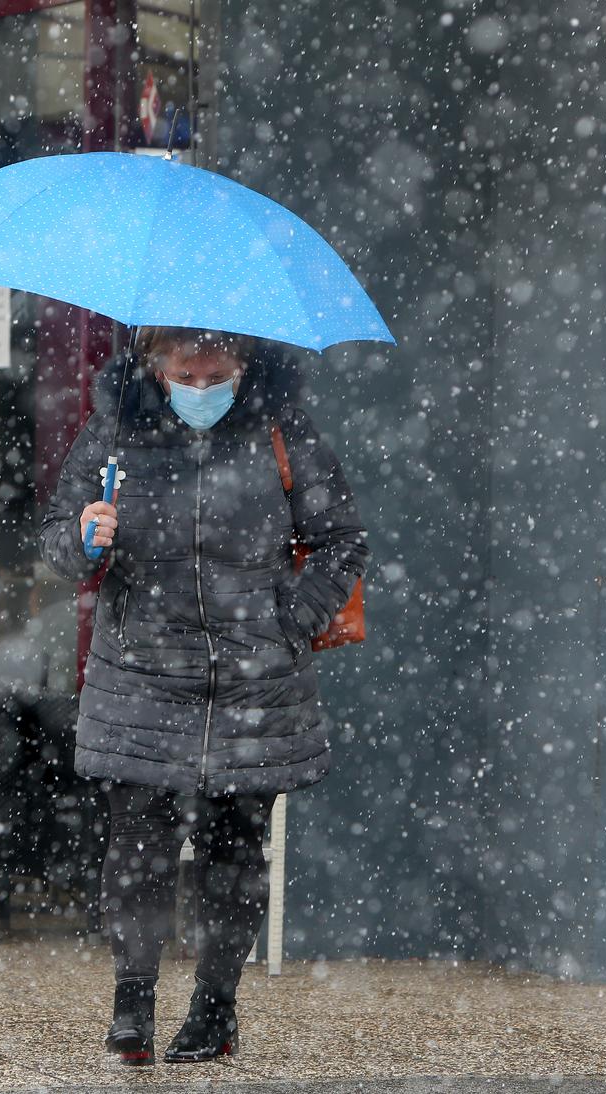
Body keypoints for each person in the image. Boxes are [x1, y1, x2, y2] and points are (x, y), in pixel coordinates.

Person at [41, 326, 368, 1066]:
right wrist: (87, 539)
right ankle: (132, 1008)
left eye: (215, 369)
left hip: (255, 680)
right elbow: (58, 536)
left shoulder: (283, 428)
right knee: (138, 849)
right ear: (154, 367)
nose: (200, 385)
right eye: (184, 371)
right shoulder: (117, 426)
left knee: (233, 852)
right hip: (143, 675)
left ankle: (215, 1009)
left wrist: (289, 622)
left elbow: (343, 540)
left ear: (244, 364)